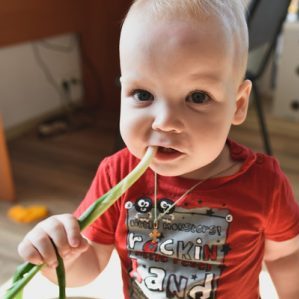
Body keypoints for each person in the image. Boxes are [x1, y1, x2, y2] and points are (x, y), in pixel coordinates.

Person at [17, 1, 299, 298]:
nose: (164, 122)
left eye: (197, 96)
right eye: (143, 94)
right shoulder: (117, 175)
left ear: (238, 105)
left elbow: (284, 256)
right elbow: (90, 262)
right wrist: (57, 257)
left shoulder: (262, 184)